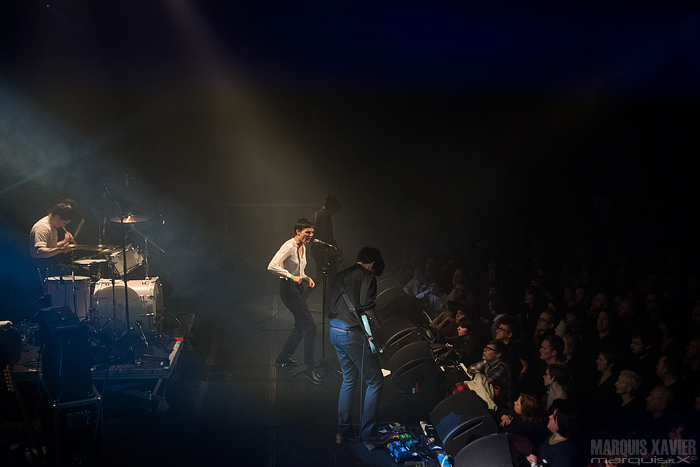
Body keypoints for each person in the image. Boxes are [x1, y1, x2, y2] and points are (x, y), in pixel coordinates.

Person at [328, 246, 388, 450]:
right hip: (351, 335)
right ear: (372, 264)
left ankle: (342, 432)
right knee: (375, 381)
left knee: (349, 378)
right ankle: (368, 434)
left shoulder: (341, 274)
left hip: (334, 330)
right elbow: (366, 305)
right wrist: (378, 323)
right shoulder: (367, 276)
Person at [267, 218, 321, 384]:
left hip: (297, 289)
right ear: (298, 231)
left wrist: (306, 277)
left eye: (312, 232)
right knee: (310, 326)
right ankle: (310, 369)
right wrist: (291, 276)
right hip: (289, 291)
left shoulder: (303, 247)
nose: (310, 235)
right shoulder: (289, 246)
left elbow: (299, 270)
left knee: (300, 325)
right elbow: (272, 266)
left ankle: (284, 356)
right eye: (307, 232)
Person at [29, 199, 77, 265]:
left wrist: (64, 241)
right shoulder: (43, 227)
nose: (64, 225)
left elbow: (50, 247)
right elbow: (40, 252)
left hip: (49, 262)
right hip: (40, 265)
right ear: (57, 217)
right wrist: (62, 249)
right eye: (64, 223)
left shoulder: (52, 225)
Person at [310, 195, 341, 283]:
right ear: (331, 208)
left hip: (315, 249)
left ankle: (305, 293)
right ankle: (330, 296)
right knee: (332, 276)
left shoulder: (315, 214)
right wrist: (336, 249)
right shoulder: (326, 215)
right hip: (323, 250)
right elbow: (328, 235)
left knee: (319, 276)